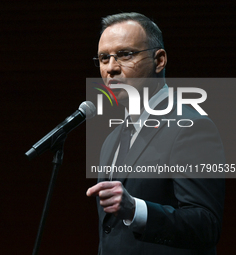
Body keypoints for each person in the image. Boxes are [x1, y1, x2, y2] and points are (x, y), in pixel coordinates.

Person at [86, 12, 225, 255]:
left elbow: (206, 226)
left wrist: (135, 209)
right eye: (103, 58)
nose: (111, 68)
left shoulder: (192, 127)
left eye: (124, 54)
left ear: (159, 60)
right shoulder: (111, 140)